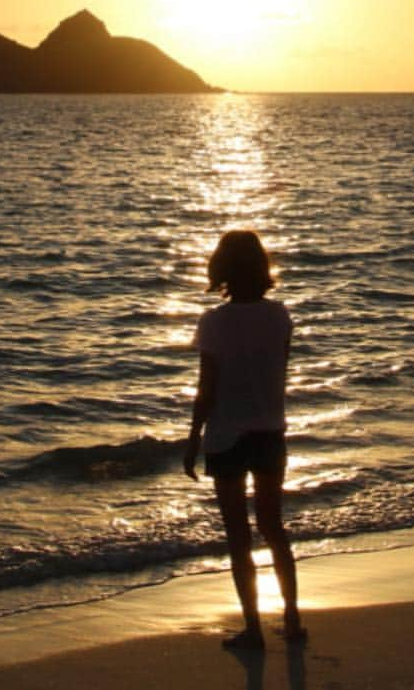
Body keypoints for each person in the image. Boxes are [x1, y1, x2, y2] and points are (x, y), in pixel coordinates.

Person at [184, 229, 305, 650]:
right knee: (274, 527)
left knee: (238, 535)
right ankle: (292, 618)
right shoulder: (280, 316)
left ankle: (253, 628)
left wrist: (192, 438)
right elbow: (280, 373)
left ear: (222, 269)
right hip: (270, 429)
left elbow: (207, 388)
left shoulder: (214, 322)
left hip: (227, 435)